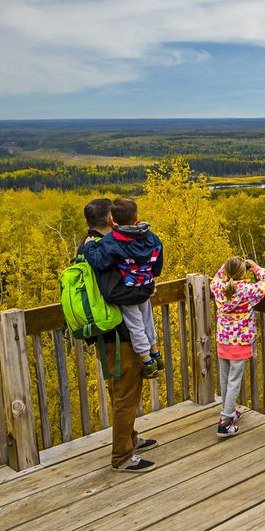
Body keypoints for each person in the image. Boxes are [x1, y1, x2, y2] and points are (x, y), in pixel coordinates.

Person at [79, 198, 157, 473]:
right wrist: (147, 290)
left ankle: (131, 440)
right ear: (111, 220)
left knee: (124, 393)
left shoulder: (94, 247)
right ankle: (122, 457)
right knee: (125, 395)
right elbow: (114, 292)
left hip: (114, 334)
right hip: (119, 336)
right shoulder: (101, 250)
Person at [82, 197, 165, 380]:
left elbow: (99, 261)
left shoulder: (112, 242)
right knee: (147, 321)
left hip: (128, 288)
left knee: (136, 326)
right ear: (137, 217)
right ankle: (155, 352)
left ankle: (147, 361)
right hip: (145, 286)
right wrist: (149, 277)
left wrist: (89, 248)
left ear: (113, 221)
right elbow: (157, 265)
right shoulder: (151, 237)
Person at [210, 257, 265, 437]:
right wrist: (255, 267)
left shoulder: (217, 287)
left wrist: (227, 265)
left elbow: (217, 276)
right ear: (243, 272)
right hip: (241, 340)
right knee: (234, 381)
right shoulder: (248, 290)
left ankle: (227, 411)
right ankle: (225, 421)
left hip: (223, 338)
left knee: (225, 380)